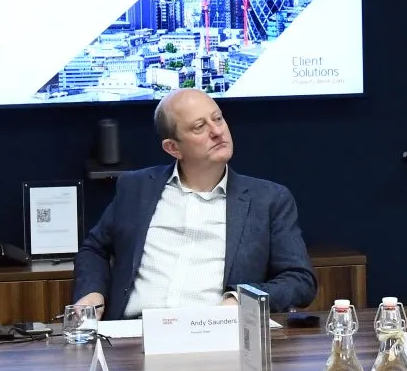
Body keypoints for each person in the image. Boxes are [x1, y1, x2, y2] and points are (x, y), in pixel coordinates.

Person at [70, 89, 316, 317]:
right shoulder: (136, 188)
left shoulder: (268, 199)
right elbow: (95, 249)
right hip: (136, 332)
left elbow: (299, 279)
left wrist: (242, 300)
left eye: (218, 119)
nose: (217, 131)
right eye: (200, 127)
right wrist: (92, 293)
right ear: (173, 147)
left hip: (217, 334)